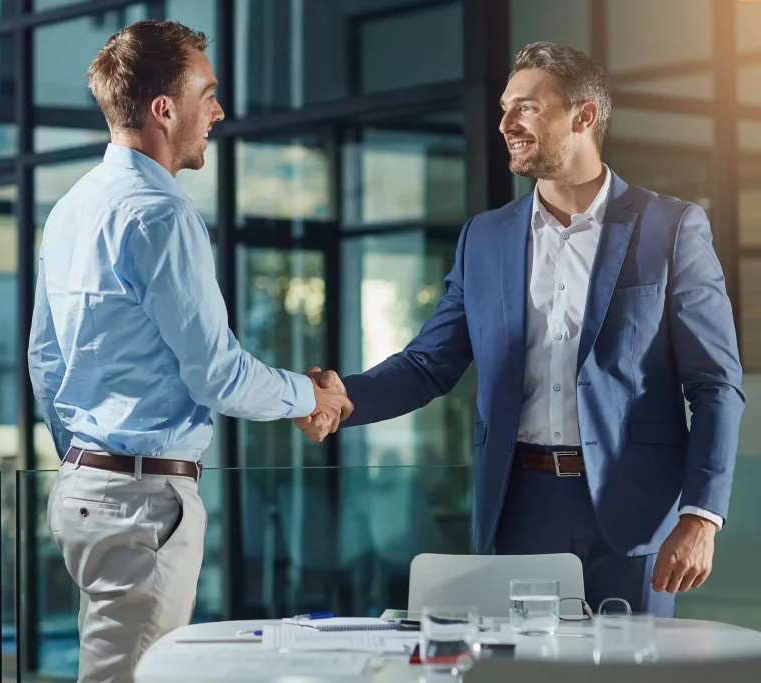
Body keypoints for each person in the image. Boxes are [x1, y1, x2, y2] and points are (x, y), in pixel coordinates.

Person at [296, 42, 743, 617]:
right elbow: (428, 363)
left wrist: (701, 515)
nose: (506, 124)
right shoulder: (484, 238)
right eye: (505, 108)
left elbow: (715, 385)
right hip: (520, 506)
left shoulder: (672, 228)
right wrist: (340, 399)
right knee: (525, 662)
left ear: (584, 116)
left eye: (527, 108)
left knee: (631, 665)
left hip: (636, 512)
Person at [28, 20, 352, 683]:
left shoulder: (72, 208)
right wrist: (308, 396)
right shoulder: (161, 214)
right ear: (164, 109)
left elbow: (45, 360)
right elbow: (218, 375)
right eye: (207, 93)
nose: (219, 111)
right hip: (141, 500)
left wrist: (88, 461)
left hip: (86, 490)